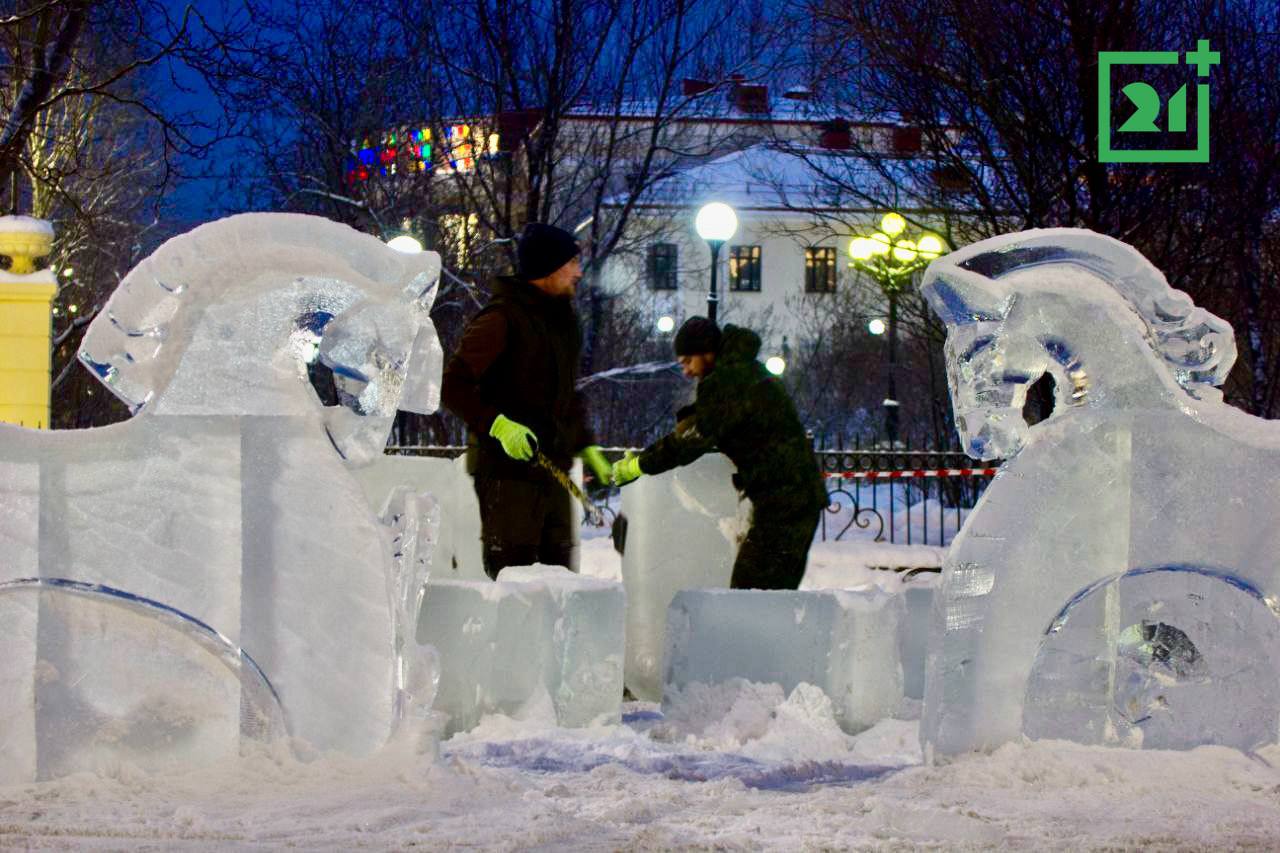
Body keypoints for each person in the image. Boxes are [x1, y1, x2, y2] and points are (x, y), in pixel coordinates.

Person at [441, 223, 612, 580]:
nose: (579, 272)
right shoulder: (500, 318)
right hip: (507, 477)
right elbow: (452, 385)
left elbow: (565, 395)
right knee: (515, 581)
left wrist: (586, 445)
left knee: (561, 581)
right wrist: (498, 426)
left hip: (553, 471)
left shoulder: (563, 322)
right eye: (571, 263)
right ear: (548, 267)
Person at [611, 316, 827, 590]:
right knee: (762, 593)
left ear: (707, 352)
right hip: (788, 497)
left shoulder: (730, 380)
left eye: (688, 361)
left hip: (786, 500)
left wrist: (639, 465)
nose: (686, 371)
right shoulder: (741, 371)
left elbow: (692, 439)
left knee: (754, 594)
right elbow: (710, 422)